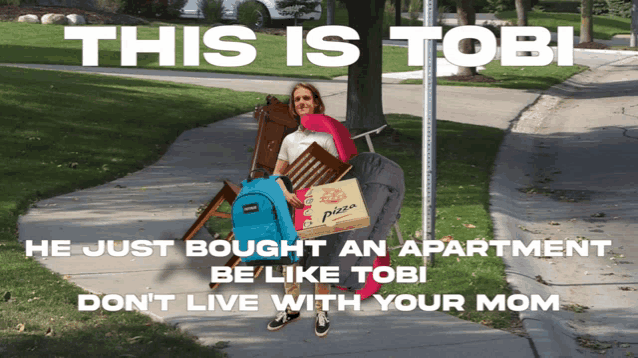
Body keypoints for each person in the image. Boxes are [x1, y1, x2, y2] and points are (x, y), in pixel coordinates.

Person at [267, 83, 338, 337]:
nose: (301, 102)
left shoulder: (327, 139)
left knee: (320, 261)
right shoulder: (290, 140)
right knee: (291, 262)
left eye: (306, 98)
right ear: (293, 107)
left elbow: (336, 176)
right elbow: (277, 174)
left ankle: (321, 311)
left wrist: (316, 198)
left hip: (319, 207)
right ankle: (291, 308)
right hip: (292, 208)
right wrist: (286, 193)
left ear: (316, 102)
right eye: (297, 99)